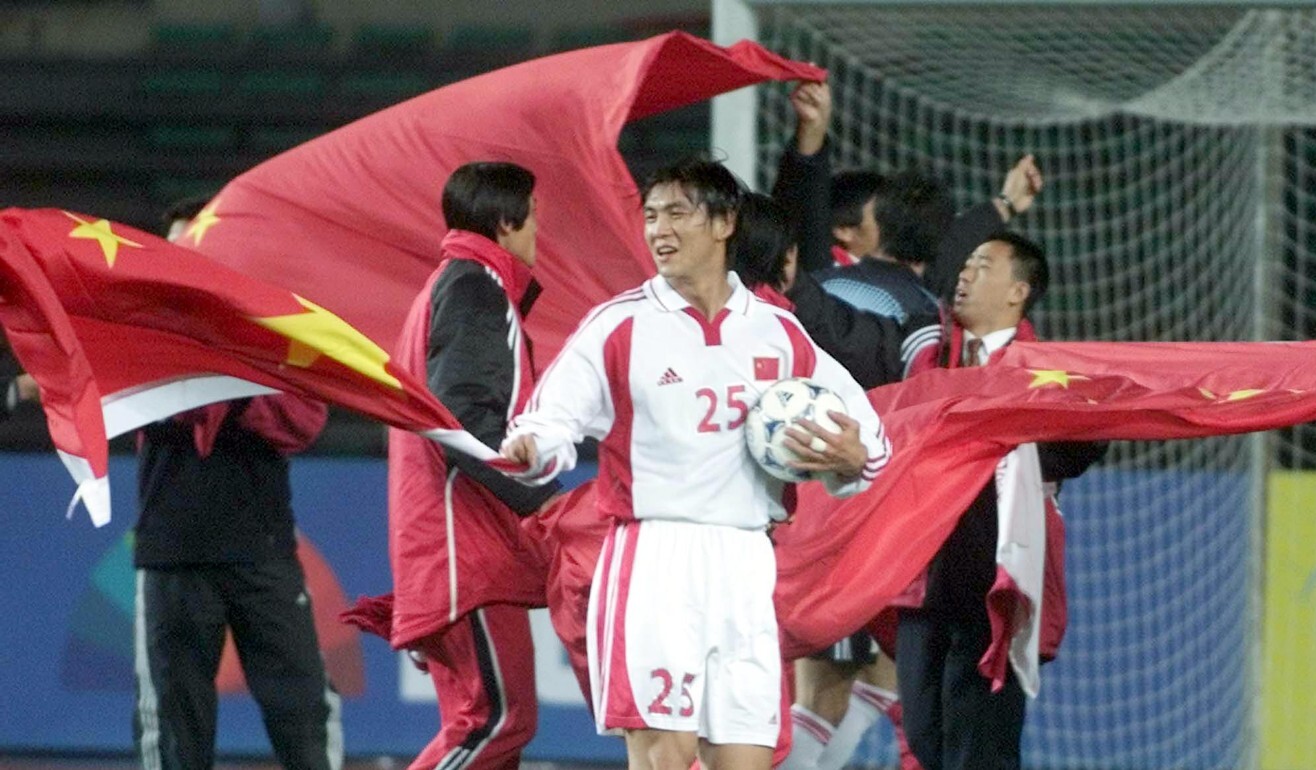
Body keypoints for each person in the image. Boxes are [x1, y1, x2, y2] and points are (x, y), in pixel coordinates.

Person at [501, 158, 891, 770]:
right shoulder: (620, 325)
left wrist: (853, 458)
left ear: (724, 223)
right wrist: (533, 450)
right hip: (656, 560)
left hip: (746, 563)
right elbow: (549, 421)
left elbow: (866, 437)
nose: (660, 229)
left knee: (745, 760)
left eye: (677, 213)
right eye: (652, 216)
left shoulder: (777, 333)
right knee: (665, 756)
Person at [770, 81, 1043, 770]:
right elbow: (916, 394)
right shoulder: (928, 316)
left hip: (799, 504)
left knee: (856, 681)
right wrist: (1002, 208)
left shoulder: (816, 287)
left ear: (868, 232)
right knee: (858, 684)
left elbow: (797, 236)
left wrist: (808, 146)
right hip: (883, 519)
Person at [133, 199, 341, 770]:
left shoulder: (272, 331)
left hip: (262, 549)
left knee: (304, 718)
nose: (190, 260)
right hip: (173, 551)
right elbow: (128, 400)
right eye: (178, 248)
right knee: (175, 730)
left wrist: (235, 377)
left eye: (202, 247)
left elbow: (305, 421)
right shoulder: (138, 329)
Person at [895, 232, 1106, 770]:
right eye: (964, 265)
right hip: (923, 581)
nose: (963, 275)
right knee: (924, 745)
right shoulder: (928, 358)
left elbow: (1087, 441)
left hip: (995, 578)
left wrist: (1007, 442)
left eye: (982, 266)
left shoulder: (1048, 369)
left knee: (981, 750)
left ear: (1018, 290)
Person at [387, 161, 561, 770]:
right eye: (535, 216)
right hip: (465, 550)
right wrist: (545, 501)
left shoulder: (451, 284)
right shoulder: (473, 286)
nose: (541, 230)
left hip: (451, 544)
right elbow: (459, 418)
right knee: (497, 720)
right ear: (508, 221)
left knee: (486, 732)